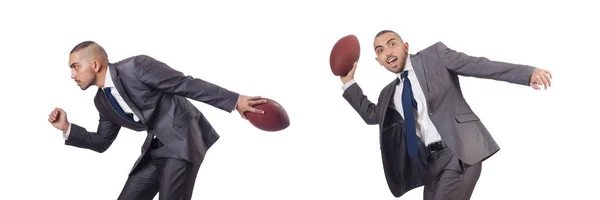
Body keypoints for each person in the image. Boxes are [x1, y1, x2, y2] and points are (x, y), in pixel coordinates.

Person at [340, 30, 552, 200]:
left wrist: (527, 73)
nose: (388, 52)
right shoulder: (389, 93)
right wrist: (348, 82)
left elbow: (479, 66)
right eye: (380, 50)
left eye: (392, 44)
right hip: (430, 165)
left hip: (458, 153)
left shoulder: (434, 56)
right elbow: (372, 115)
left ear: (405, 46)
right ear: (378, 60)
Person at [47, 41, 267, 200]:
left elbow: (186, 84)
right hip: (154, 149)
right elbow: (102, 141)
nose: (72, 75)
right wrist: (66, 128)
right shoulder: (102, 101)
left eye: (75, 67)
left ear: (95, 65)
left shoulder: (136, 67)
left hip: (182, 139)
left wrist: (235, 100)